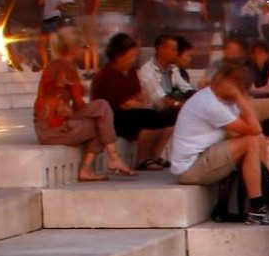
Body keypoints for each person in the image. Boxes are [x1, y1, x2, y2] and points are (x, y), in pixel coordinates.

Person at [168, 58, 269, 222]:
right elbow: (254, 128)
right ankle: (257, 208)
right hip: (189, 168)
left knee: (258, 139)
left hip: (205, 157)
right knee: (252, 140)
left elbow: (251, 131)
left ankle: (264, 200)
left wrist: (268, 140)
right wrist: (239, 97)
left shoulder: (224, 101)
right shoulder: (210, 103)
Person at [33, 38, 133, 181]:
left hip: (44, 129)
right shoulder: (67, 67)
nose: (85, 50)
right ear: (73, 48)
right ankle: (111, 157)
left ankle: (99, 164)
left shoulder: (53, 65)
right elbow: (79, 105)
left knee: (101, 115)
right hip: (55, 130)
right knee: (102, 111)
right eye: (83, 46)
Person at [92, 31, 178, 169]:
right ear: (119, 57)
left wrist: (142, 101)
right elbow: (124, 104)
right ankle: (142, 158)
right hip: (114, 117)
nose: (134, 59)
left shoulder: (131, 72)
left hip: (132, 110)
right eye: (131, 56)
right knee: (148, 117)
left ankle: (154, 156)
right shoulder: (106, 76)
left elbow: (137, 95)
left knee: (168, 116)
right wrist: (143, 105)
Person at [137, 32, 195, 107]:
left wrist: (197, 94)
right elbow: (160, 99)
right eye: (173, 50)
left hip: (170, 110)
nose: (176, 53)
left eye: (176, 50)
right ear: (161, 49)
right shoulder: (147, 71)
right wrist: (180, 105)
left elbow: (186, 88)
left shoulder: (173, 69)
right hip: (153, 113)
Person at [37, 0, 75, 69]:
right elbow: (40, 2)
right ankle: (46, 66)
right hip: (46, 19)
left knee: (53, 44)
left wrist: (60, 5)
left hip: (54, 19)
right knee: (41, 45)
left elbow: (70, 1)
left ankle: (55, 66)